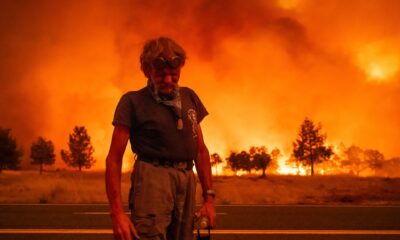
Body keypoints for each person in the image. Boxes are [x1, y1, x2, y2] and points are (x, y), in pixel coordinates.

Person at [105, 36, 216, 240]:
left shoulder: (189, 97)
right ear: (146, 70)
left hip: (186, 178)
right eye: (160, 74)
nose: (168, 80)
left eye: (173, 74)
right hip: (152, 179)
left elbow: (200, 150)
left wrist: (209, 199)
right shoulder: (132, 102)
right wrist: (117, 213)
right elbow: (114, 158)